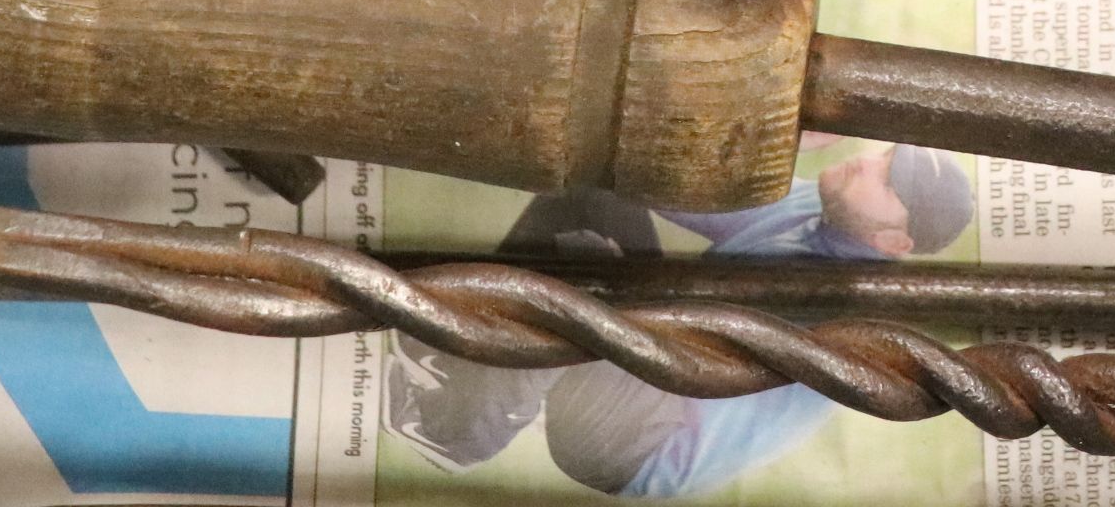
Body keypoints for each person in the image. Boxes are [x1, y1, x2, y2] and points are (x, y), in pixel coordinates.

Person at [388, 140, 975, 495]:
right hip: (656, 362)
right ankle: (459, 357)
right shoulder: (818, 210)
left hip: (635, 442)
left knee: (584, 265)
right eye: (886, 156)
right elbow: (676, 191)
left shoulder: (847, 301)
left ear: (894, 242)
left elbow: (684, 356)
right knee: (594, 200)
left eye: (888, 182)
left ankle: (456, 432)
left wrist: (609, 295)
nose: (866, 164)